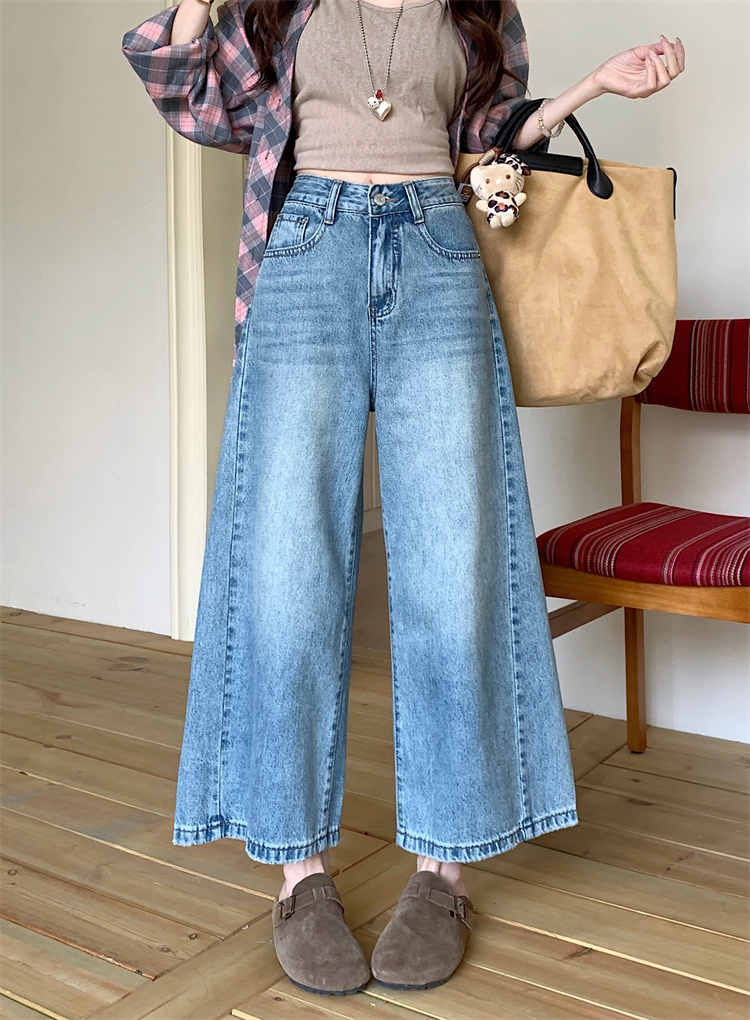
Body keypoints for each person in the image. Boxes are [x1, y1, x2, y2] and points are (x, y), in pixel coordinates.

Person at [122, 0, 685, 996]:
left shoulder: (475, 8)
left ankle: (443, 871)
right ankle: (298, 873)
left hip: (437, 251)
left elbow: (490, 131)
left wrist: (593, 88)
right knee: (287, 573)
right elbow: (193, 101)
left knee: (453, 568)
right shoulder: (282, 7)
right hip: (308, 251)